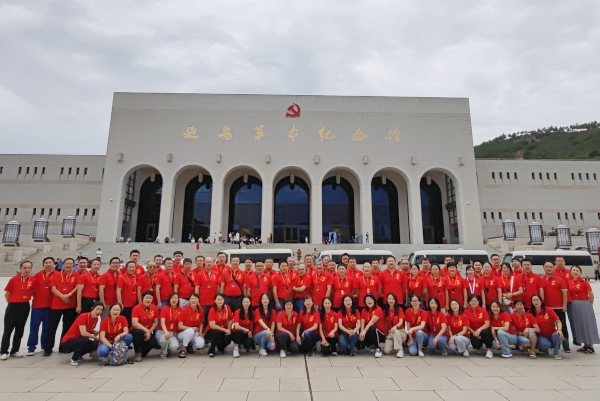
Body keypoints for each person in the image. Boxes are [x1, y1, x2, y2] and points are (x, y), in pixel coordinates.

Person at [44, 258, 79, 357]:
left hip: (70, 305)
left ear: (73, 265)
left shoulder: (76, 275)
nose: (68, 265)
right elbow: (53, 288)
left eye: (70, 264)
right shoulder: (56, 275)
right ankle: (48, 348)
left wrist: (69, 294)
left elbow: (77, 287)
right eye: (66, 264)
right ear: (63, 265)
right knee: (52, 327)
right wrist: (62, 296)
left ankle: (63, 347)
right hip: (57, 305)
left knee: (67, 327)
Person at [1, 261, 34, 360]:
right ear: (20, 269)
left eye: (29, 268)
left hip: (24, 306)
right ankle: (3, 351)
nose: (27, 270)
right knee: (8, 330)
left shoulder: (32, 280)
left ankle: (15, 350)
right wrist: (11, 303)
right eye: (25, 268)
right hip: (13, 306)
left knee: (20, 330)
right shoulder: (14, 280)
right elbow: (7, 294)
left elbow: (33, 292)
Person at [568, 265, 600, 353]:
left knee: (587, 324)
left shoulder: (584, 282)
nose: (575, 272)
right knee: (579, 325)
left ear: (580, 272)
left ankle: (590, 345)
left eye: (577, 270)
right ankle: (585, 345)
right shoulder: (569, 282)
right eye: (573, 270)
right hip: (574, 305)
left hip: (584, 304)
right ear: (570, 272)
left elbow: (591, 294)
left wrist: (589, 304)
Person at [27, 257, 55, 356]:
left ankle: (45, 346)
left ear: (54, 264)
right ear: (43, 264)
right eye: (46, 262)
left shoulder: (57, 275)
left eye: (50, 262)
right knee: (34, 327)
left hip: (50, 307)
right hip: (37, 306)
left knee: (47, 328)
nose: (48, 264)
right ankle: (31, 347)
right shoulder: (37, 275)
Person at [60, 301, 103, 366]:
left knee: (94, 345)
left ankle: (80, 354)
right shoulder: (83, 316)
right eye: (97, 309)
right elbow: (84, 333)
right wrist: (95, 338)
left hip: (78, 339)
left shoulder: (96, 319)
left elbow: (87, 330)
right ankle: (73, 359)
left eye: (101, 310)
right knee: (85, 340)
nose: (99, 311)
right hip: (67, 342)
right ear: (92, 308)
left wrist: (94, 332)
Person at [541, 261, 570, 352]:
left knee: (562, 326)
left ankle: (566, 345)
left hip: (558, 307)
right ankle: (549, 345)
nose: (548, 268)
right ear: (543, 268)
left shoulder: (559, 279)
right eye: (546, 267)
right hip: (547, 308)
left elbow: (565, 293)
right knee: (547, 326)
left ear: (554, 268)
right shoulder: (541, 279)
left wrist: (564, 305)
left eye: (550, 267)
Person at [530, 294, 563, 359]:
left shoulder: (549, 310)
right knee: (545, 344)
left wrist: (559, 330)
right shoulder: (530, 312)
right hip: (541, 335)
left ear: (541, 301)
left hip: (552, 333)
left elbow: (558, 321)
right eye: (534, 300)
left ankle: (556, 352)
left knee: (558, 335)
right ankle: (543, 349)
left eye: (537, 300)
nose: (536, 302)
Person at [130, 290, 159, 362]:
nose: (148, 299)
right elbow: (135, 323)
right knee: (139, 333)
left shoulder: (154, 308)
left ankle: (142, 352)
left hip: (148, 331)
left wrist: (149, 331)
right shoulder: (136, 308)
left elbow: (156, 322)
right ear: (143, 298)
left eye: (150, 298)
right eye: (147, 298)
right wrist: (147, 331)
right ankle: (137, 353)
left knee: (154, 342)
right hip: (136, 330)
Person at [465, 294, 493, 358]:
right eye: (471, 301)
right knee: (475, 345)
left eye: (475, 301)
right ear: (469, 302)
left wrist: (479, 330)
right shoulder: (466, 312)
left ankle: (489, 350)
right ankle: (480, 347)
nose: (473, 302)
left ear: (478, 302)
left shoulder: (483, 310)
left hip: (483, 331)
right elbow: (466, 325)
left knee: (485, 333)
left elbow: (487, 323)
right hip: (473, 332)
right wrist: (474, 333)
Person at [358, 293, 385, 358]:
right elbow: (362, 322)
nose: (369, 301)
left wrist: (364, 330)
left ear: (374, 300)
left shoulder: (378, 309)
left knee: (371, 328)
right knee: (359, 342)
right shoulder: (364, 310)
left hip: (379, 332)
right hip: (369, 331)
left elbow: (372, 322)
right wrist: (361, 333)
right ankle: (370, 345)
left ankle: (378, 348)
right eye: (367, 299)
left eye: (371, 299)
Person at [156, 292, 182, 358]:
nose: (174, 300)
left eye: (176, 298)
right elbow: (162, 322)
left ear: (178, 300)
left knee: (174, 346)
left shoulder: (181, 310)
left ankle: (166, 349)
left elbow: (180, 323)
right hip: (162, 332)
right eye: (172, 298)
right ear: (169, 300)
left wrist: (176, 331)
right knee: (164, 340)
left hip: (172, 333)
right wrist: (166, 332)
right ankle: (164, 353)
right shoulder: (164, 308)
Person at [117, 261, 138, 325]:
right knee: (125, 323)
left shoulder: (135, 277)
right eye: (130, 267)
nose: (131, 269)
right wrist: (120, 303)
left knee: (132, 323)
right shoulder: (122, 278)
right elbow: (118, 290)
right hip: (125, 305)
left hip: (134, 305)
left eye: (133, 267)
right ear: (126, 268)